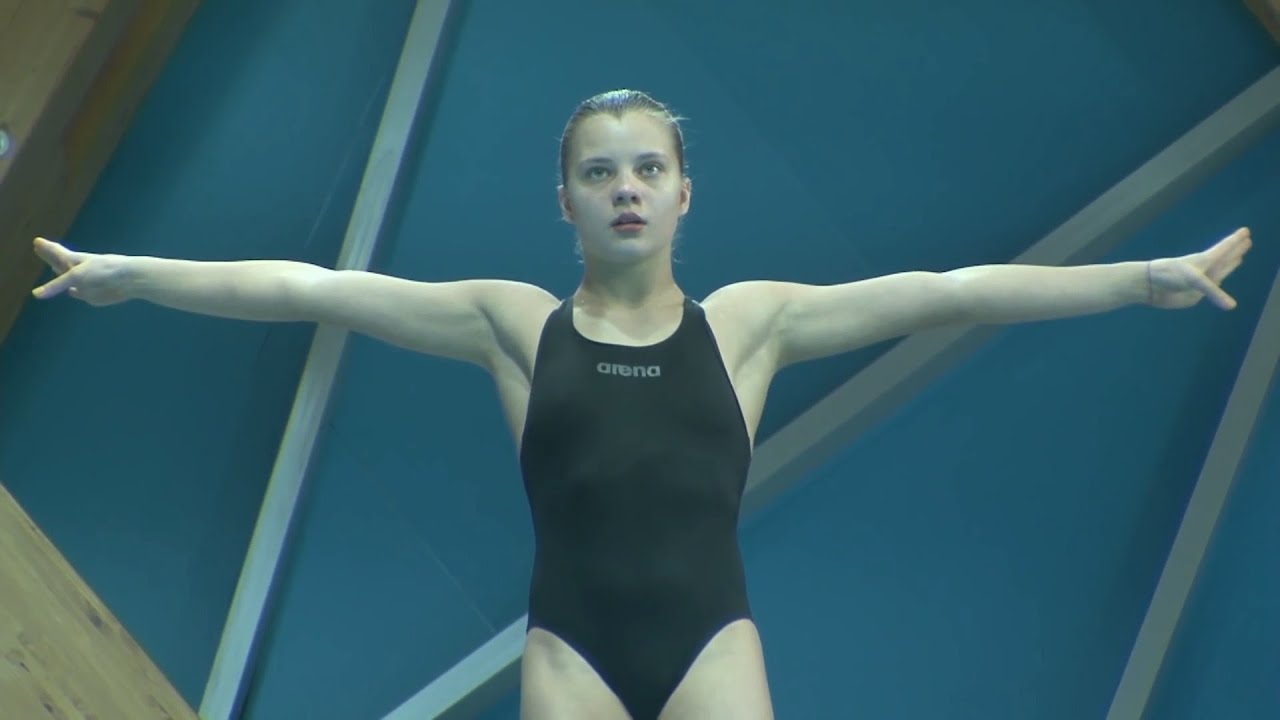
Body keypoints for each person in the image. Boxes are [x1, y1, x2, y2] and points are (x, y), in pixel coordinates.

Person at [29, 89, 1252, 720]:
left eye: (646, 170)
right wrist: (132, 275)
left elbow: (941, 293)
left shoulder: (749, 323)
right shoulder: (513, 324)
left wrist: (1136, 279)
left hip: (713, 644)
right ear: (560, 198)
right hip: (568, 649)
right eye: (598, 172)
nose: (625, 189)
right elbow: (315, 288)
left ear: (683, 197)